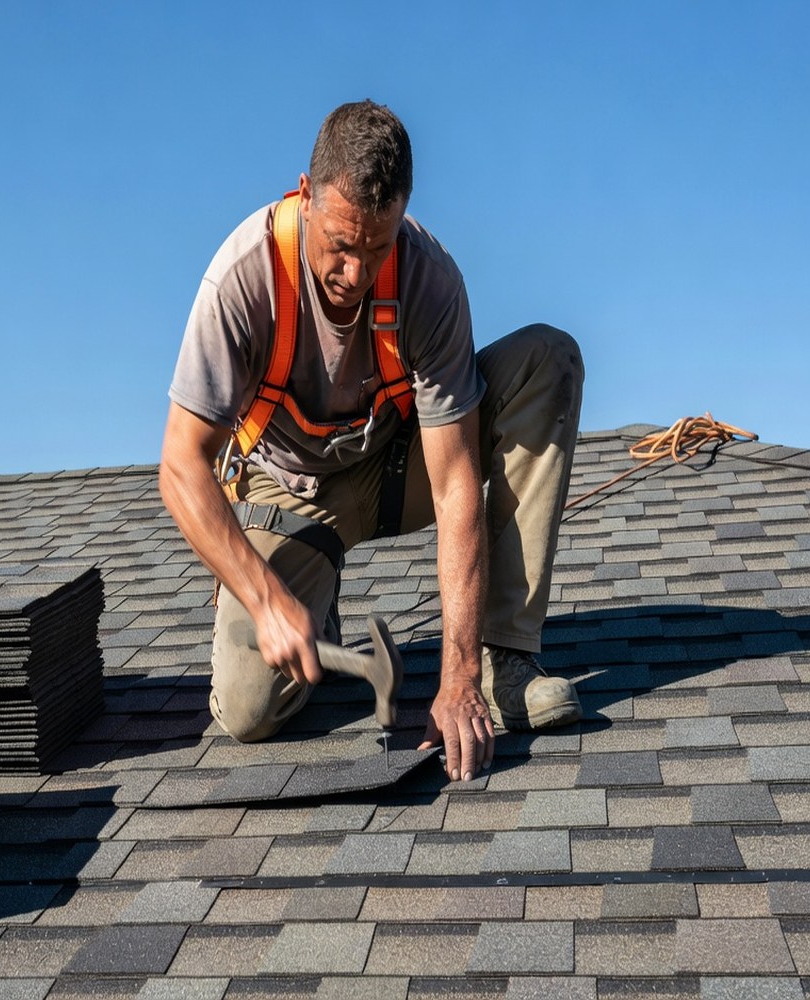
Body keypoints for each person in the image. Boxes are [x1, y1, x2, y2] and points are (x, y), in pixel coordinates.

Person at [159, 99, 584, 783]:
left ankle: (507, 657)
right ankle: (311, 604)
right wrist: (267, 601)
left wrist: (458, 678)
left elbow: (453, 485)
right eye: (339, 244)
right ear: (306, 195)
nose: (355, 273)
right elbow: (181, 466)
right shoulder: (243, 278)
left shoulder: (427, 278)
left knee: (548, 359)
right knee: (247, 710)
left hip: (394, 468)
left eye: (376, 247)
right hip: (288, 489)